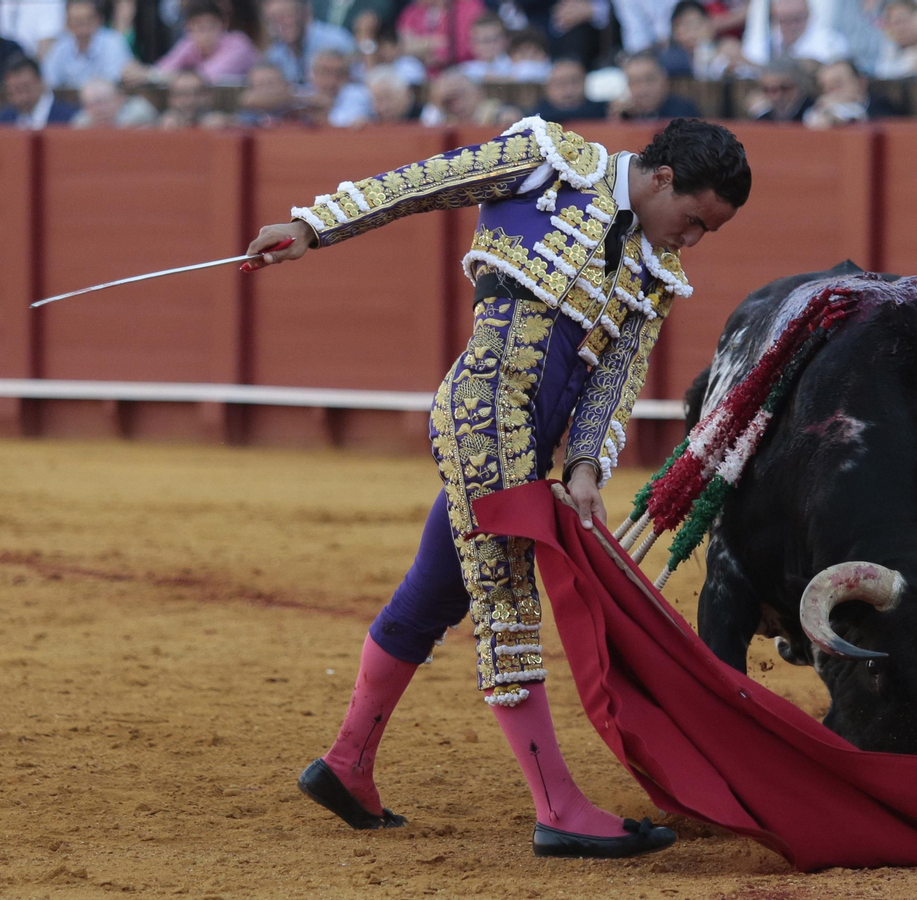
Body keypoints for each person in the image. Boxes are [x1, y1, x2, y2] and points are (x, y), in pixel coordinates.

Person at [241, 116, 751, 857]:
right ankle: (557, 807)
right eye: (695, 220)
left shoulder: (653, 272)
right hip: (484, 409)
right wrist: (312, 227)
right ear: (664, 178)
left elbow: (612, 381)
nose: (692, 240)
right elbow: (423, 185)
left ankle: (347, 764)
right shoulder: (551, 162)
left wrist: (583, 468)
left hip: (531, 444)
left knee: (434, 590)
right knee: (507, 598)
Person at [145, 0, 259, 84]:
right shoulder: (189, 44)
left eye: (211, 27)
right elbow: (161, 69)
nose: (206, 34)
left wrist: (153, 76)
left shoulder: (239, 43)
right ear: (188, 28)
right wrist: (149, 75)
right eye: (200, 28)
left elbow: (205, 77)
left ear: (224, 24)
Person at [42, 0, 135, 90]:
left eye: (87, 20)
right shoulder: (60, 47)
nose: (82, 28)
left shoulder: (114, 42)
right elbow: (48, 81)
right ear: (67, 24)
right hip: (70, 104)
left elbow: (114, 84)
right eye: (76, 22)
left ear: (99, 20)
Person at [263, 0, 355, 86]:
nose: (281, 24)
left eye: (286, 15)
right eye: (273, 19)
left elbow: (355, 85)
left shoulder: (336, 41)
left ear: (304, 13)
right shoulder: (275, 53)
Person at [804, 57, 902, 127]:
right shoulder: (818, 109)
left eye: (837, 85)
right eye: (826, 88)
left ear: (861, 82)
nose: (832, 93)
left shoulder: (882, 105)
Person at [608, 49, 702, 120]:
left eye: (650, 80)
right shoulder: (624, 114)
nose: (643, 89)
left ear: (664, 79)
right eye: (634, 82)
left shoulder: (684, 112)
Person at [0, 56, 81, 128]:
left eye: (25, 88)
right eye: (13, 90)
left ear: (40, 82)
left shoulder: (69, 118)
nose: (21, 97)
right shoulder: (5, 119)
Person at [419, 67, 521, 123]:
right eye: (449, 101)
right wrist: (437, 104)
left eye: (460, 95)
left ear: (479, 92)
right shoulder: (444, 117)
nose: (457, 105)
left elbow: (511, 117)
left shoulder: (494, 113)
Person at [302, 47, 373, 126]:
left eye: (338, 74)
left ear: (347, 77)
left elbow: (352, 122)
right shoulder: (304, 93)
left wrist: (325, 111)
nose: (331, 81)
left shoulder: (358, 95)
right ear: (312, 74)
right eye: (324, 73)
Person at [529, 57, 609, 121]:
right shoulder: (533, 118)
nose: (569, 91)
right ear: (547, 87)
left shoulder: (606, 111)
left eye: (574, 82)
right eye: (560, 84)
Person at [748, 55, 815, 120]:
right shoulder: (763, 120)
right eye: (767, 90)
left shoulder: (815, 114)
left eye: (784, 88)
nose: (776, 97)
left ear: (799, 86)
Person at [72, 77, 159, 127]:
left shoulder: (139, 114)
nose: (99, 110)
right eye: (92, 105)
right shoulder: (81, 123)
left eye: (103, 102)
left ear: (119, 98)